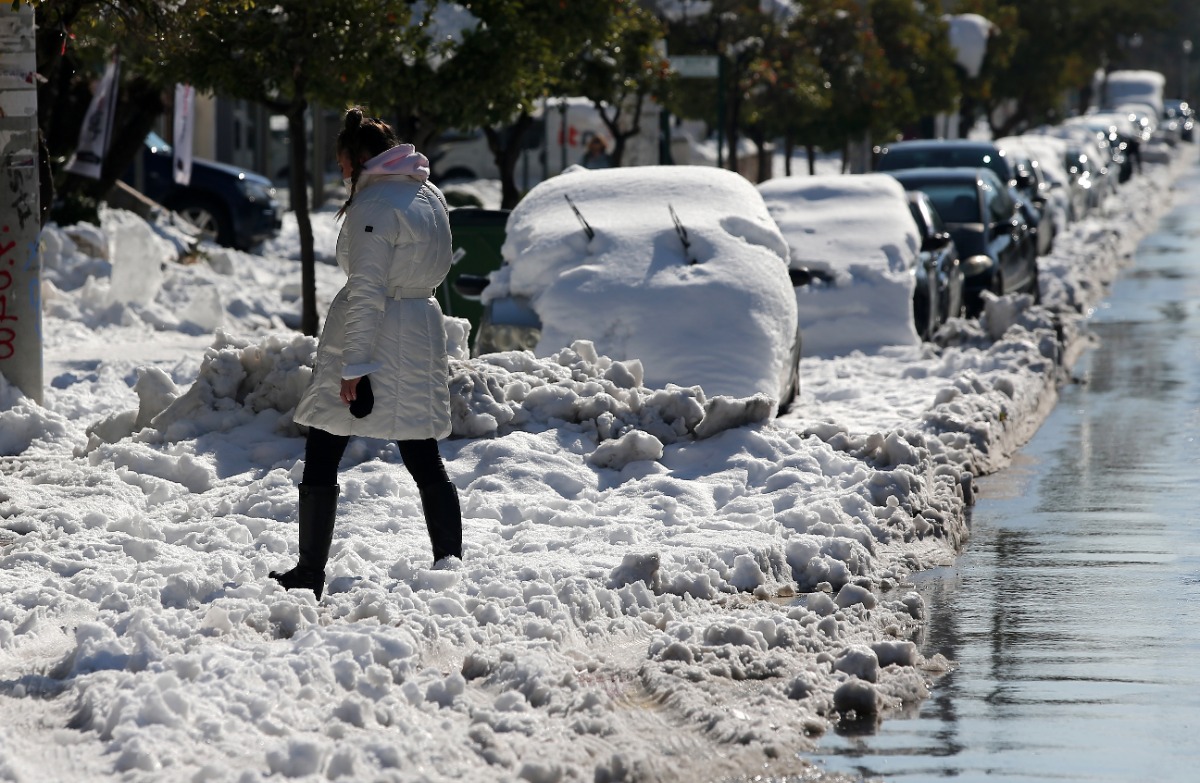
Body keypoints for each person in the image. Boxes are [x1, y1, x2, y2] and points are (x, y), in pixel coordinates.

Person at [270, 108, 461, 600]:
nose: (341, 175)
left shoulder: (374, 205)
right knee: (422, 453)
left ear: (357, 160)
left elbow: (367, 290)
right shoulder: (428, 194)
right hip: (419, 329)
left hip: (377, 335)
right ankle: (451, 567)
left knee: (324, 444)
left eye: (341, 165)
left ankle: (309, 572)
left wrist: (354, 366)